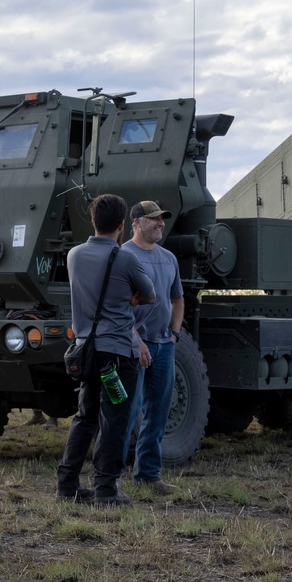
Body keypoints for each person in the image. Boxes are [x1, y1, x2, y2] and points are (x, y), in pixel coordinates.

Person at [57, 194, 155, 506]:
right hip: (116, 353)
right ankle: (106, 489)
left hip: (86, 350)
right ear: (123, 225)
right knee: (114, 419)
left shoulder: (73, 255)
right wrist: (131, 297)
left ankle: (67, 484)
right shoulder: (125, 259)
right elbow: (150, 295)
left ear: (93, 221)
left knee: (85, 417)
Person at [122, 201, 185, 495]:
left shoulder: (169, 258)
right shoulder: (123, 256)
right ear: (136, 223)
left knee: (157, 413)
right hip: (133, 347)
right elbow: (118, 307)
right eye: (154, 219)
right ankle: (110, 475)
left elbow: (177, 299)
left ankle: (148, 475)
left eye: (162, 219)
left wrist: (173, 334)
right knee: (126, 410)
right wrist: (137, 340)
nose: (160, 223)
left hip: (164, 346)